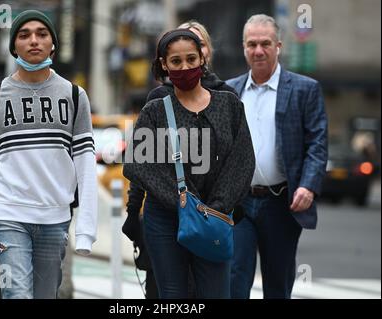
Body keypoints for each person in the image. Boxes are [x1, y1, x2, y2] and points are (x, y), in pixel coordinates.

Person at [0, 10, 98, 299]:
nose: (33, 40)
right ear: (13, 45)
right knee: (16, 295)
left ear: (53, 43)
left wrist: (86, 230)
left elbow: (86, 165)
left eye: (42, 34)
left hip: (55, 217)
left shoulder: (75, 96)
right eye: (24, 34)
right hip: (7, 214)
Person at [123, 29, 254, 298]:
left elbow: (242, 161)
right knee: (172, 296)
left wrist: (214, 207)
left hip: (215, 218)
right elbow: (138, 164)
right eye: (176, 62)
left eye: (191, 59)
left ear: (202, 60)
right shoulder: (155, 110)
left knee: (216, 293)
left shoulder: (229, 105)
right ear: (164, 65)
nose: (185, 67)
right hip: (164, 219)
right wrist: (182, 202)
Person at [226, 14, 328, 299]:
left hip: (281, 204)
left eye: (265, 43)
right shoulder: (228, 91)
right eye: (252, 44)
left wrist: (308, 185)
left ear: (278, 46)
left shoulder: (305, 90)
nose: (258, 50)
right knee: (234, 280)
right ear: (244, 47)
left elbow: (317, 144)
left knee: (278, 284)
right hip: (238, 204)